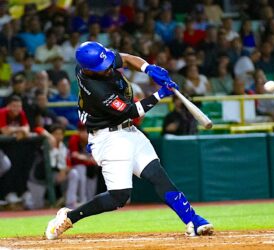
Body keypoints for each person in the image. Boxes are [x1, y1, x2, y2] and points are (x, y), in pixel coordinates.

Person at [45, 41, 213, 240]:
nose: (108, 68)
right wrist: (160, 93)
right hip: (109, 139)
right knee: (119, 197)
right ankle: (68, 217)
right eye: (102, 67)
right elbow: (131, 112)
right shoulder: (95, 89)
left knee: (158, 176)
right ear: (88, 70)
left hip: (130, 133)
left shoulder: (98, 63)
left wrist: (148, 68)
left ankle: (192, 220)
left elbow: (126, 58)